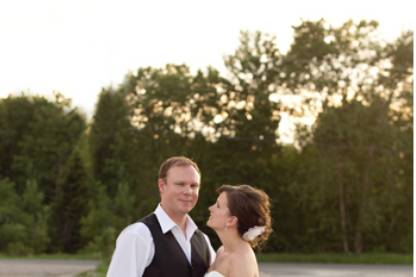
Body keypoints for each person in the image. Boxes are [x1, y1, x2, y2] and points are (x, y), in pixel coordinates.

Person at [107, 156, 216, 277]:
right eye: (180, 184)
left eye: (194, 186)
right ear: (161, 186)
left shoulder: (203, 240)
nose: (188, 191)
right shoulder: (138, 235)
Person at [205, 184, 272, 277]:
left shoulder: (242, 261)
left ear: (231, 220)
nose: (210, 208)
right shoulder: (222, 251)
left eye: (218, 206)